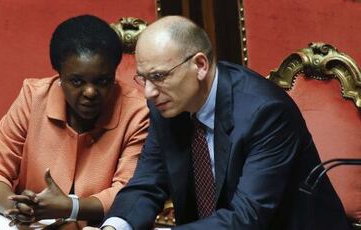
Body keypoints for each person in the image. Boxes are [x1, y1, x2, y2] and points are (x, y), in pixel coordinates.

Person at [91, 16, 351, 230]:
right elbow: (147, 183)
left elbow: (248, 217)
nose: (148, 92)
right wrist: (115, 227)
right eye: (143, 79)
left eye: (159, 76)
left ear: (200, 65)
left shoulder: (265, 112)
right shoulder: (167, 105)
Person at [0, 14, 149, 227]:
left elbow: (130, 193)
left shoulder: (137, 112)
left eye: (103, 81)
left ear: (114, 74)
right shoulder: (33, 97)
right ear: (59, 75)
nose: (90, 92)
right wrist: (17, 208)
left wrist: (71, 207)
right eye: (77, 81)